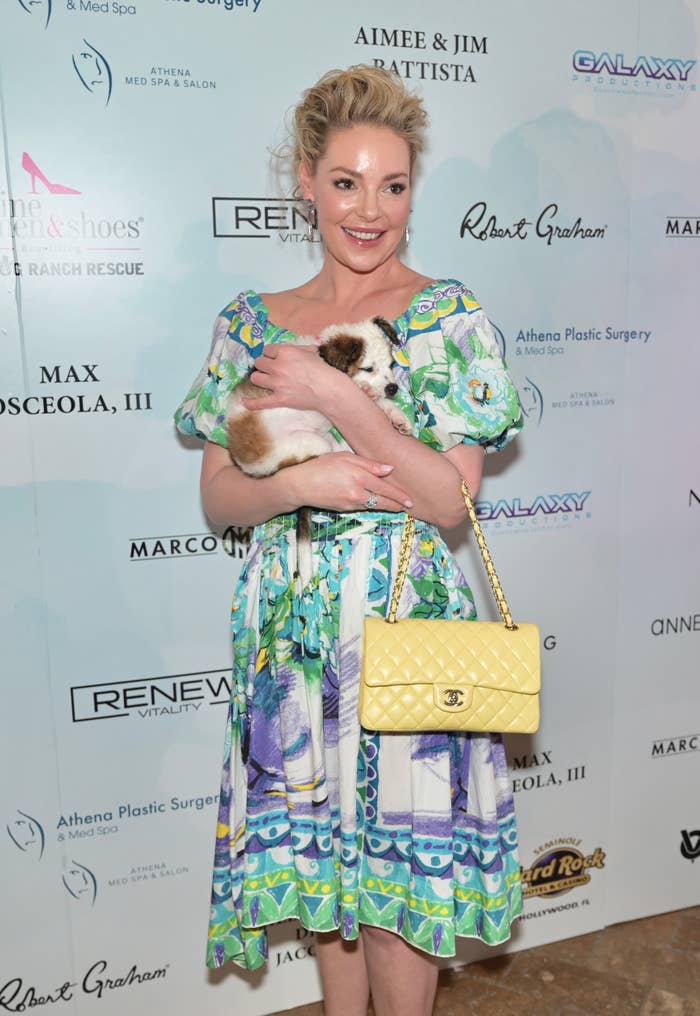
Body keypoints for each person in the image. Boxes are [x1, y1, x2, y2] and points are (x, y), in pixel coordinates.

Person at [174, 65, 525, 1016]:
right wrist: (301, 483)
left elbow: (448, 498)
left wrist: (334, 395)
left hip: (402, 623)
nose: (370, 210)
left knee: (399, 880)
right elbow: (220, 498)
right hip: (289, 634)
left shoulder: (448, 319)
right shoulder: (251, 326)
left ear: (413, 190)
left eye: (393, 185)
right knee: (324, 865)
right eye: (346, 182)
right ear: (306, 182)